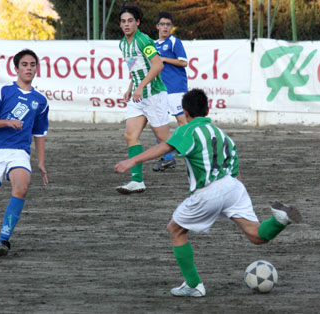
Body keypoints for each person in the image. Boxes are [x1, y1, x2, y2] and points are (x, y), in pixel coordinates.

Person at [115, 88, 302, 297]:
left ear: (185, 112)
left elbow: (166, 147)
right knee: (256, 235)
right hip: (233, 187)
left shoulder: (188, 130)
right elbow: (236, 173)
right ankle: (281, 220)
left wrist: (133, 160)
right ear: (208, 109)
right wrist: (237, 197)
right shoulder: (224, 136)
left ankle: (193, 284)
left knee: (175, 230)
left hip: (209, 191)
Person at [0, 49, 49, 257]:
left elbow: (39, 133)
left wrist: (41, 162)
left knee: (22, 187)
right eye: (24, 65)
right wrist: (7, 121)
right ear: (16, 68)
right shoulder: (2, 92)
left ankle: (4, 240)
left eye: (32, 65)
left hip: (18, 152)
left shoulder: (40, 101)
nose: (29, 68)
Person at [116, 4, 171, 194]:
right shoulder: (123, 44)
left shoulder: (143, 40)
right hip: (138, 97)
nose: (126, 24)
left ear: (137, 22)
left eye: (130, 20)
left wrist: (140, 87)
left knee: (166, 140)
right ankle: (137, 180)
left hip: (154, 94)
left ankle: (202, 158)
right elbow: (136, 68)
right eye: (123, 21)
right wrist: (131, 88)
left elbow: (157, 65)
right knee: (130, 135)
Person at [152, 11, 189, 172]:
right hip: (160, 90)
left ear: (172, 27)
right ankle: (167, 158)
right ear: (157, 26)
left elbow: (183, 62)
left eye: (168, 24)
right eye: (162, 24)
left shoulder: (174, 42)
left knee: (182, 121)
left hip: (176, 88)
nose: (165, 27)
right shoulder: (153, 45)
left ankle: (191, 152)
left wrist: (165, 59)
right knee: (158, 123)